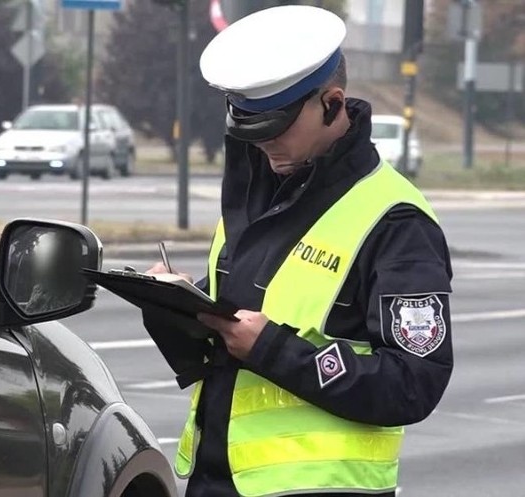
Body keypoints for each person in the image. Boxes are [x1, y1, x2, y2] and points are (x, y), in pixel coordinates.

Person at [142, 5, 454, 497]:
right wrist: (174, 307)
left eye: (276, 129)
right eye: (251, 131)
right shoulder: (257, 197)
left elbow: (413, 383)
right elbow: (233, 339)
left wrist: (273, 349)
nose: (265, 147)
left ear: (332, 103)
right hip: (217, 482)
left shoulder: (395, 221)